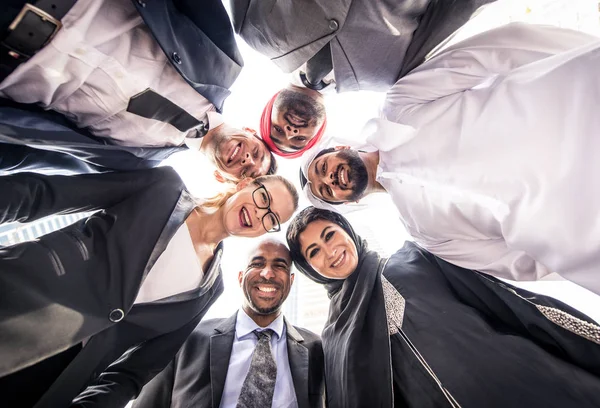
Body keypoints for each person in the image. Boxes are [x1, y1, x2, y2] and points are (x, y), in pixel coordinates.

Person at [301, 22, 600, 297]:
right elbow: (516, 263)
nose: (329, 179)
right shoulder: (425, 235)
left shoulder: (400, 105)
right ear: (349, 202)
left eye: (322, 167)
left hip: (581, 111)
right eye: (327, 191)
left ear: (339, 147)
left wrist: (583, 63)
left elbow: (491, 54)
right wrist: (576, 254)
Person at [0, 167, 298, 408]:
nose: (260, 214)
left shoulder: (210, 289)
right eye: (263, 198)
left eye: (271, 219)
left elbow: (135, 372)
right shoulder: (163, 186)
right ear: (244, 183)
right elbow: (45, 195)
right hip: (19, 296)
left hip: (53, 376)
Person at [286, 206, 600, 408]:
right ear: (310, 268)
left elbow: (500, 299)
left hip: (530, 381)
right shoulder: (335, 336)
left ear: (347, 231)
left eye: (330, 235)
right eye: (314, 251)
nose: (330, 251)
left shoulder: (413, 257)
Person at [0, 0, 275, 181]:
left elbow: (36, 153)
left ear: (220, 177)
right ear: (252, 132)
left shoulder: (135, 165)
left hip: (10, 64)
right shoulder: (225, 65)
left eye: (246, 172)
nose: (247, 159)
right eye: (258, 154)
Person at [231, 0, 494, 155]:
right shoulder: (392, 76)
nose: (290, 131)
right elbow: (455, 10)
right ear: (319, 130)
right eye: (299, 139)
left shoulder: (253, 33)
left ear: (269, 109)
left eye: (278, 130)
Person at [133, 238, 325, 408]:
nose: (268, 274)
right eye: (257, 264)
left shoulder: (316, 349)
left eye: (280, 266)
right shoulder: (186, 338)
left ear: (291, 281)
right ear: (240, 277)